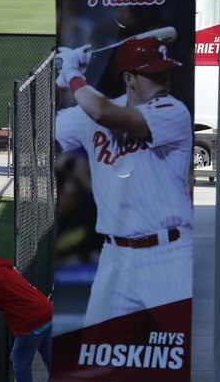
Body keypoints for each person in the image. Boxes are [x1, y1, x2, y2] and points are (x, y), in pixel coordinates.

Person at [54, 36, 194, 327]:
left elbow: (105, 113)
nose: (163, 80)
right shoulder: (90, 113)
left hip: (169, 254)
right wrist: (58, 80)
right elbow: (41, 129)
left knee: (175, 355)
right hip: (115, 257)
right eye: (154, 74)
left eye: (165, 72)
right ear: (129, 78)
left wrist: (75, 75)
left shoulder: (173, 111)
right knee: (98, 359)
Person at [0, 248, 52, 382]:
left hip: (31, 321)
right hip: (47, 312)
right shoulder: (6, 267)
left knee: (19, 360)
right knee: (50, 357)